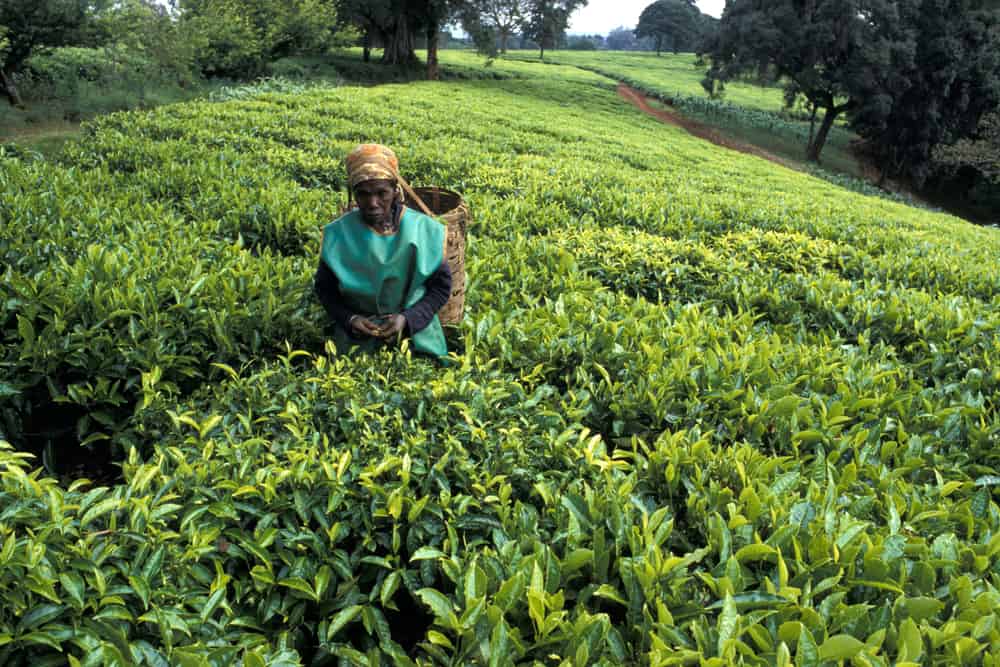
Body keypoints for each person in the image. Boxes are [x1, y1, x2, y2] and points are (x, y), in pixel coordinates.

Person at [314, 144, 451, 358]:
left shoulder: (424, 230)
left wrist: (408, 319)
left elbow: (440, 288)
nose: (373, 203)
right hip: (358, 335)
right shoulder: (338, 234)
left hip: (416, 333)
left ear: (396, 191)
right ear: (353, 195)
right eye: (363, 194)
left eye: (382, 193)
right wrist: (351, 319)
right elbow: (325, 290)